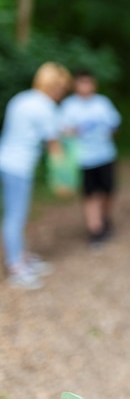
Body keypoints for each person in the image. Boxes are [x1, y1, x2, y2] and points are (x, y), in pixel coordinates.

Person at [0, 62, 71, 290]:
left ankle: (23, 257)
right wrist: (64, 179)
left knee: (17, 214)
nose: (62, 93)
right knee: (15, 216)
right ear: (54, 85)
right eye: (62, 88)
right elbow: (55, 146)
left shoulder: (22, 99)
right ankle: (16, 267)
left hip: (6, 160)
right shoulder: (45, 106)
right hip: (19, 166)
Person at [60, 69, 121, 247]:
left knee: (109, 192)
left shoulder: (103, 103)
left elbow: (115, 124)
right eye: (82, 83)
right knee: (90, 195)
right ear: (75, 85)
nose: (86, 87)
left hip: (105, 155)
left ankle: (105, 219)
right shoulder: (68, 106)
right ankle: (95, 229)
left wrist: (110, 132)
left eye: (89, 83)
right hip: (83, 159)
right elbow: (61, 132)